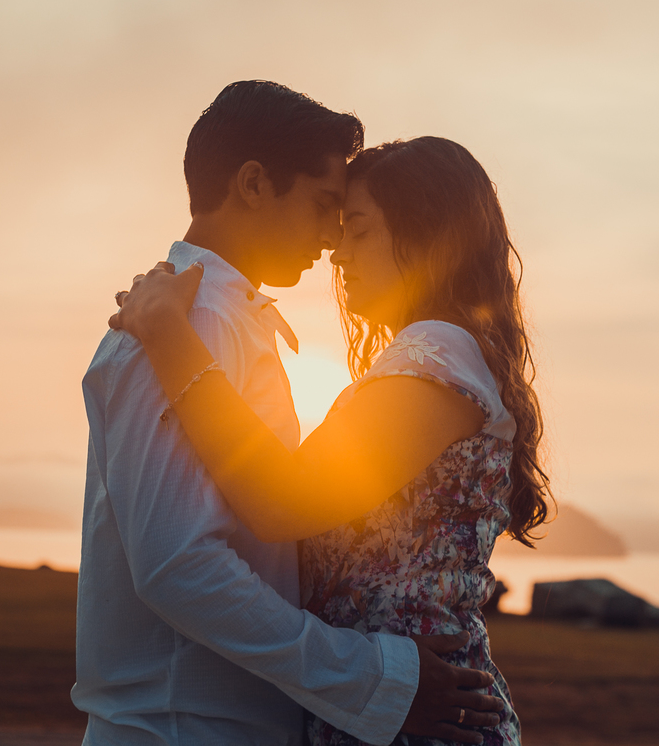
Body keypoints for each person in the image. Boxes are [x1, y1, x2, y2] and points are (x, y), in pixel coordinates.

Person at [75, 82, 503, 746]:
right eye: (328, 206)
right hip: (184, 727)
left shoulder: (200, 324)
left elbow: (279, 505)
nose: (333, 241)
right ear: (253, 184)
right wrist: (370, 681)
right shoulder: (197, 320)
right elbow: (178, 568)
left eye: (352, 222)